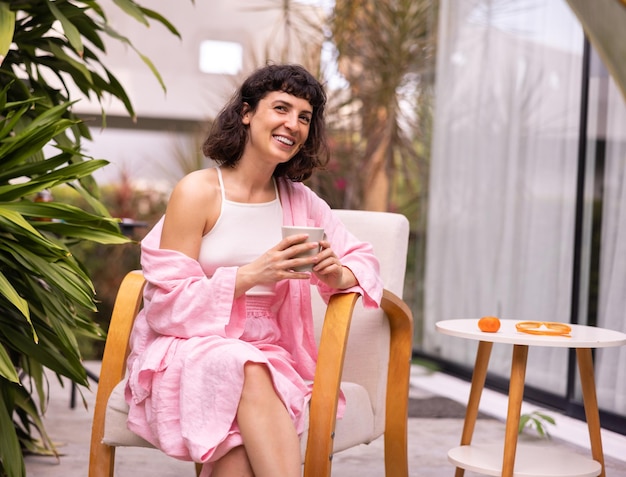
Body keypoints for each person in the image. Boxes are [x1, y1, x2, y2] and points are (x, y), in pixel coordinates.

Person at [124, 63, 383, 477]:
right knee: (245, 366)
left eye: (304, 117)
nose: (292, 125)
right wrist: (251, 274)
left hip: (269, 349)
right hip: (189, 346)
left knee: (239, 446)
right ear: (246, 112)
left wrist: (337, 275)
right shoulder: (200, 192)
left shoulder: (300, 202)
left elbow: (364, 261)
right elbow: (165, 306)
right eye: (281, 108)